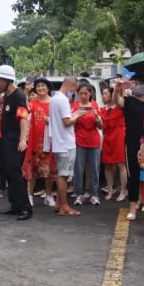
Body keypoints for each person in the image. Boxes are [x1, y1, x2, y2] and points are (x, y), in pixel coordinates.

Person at [113, 74, 144, 220]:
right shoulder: (128, 100)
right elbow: (116, 101)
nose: (138, 85)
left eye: (140, 83)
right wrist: (117, 89)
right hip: (132, 142)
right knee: (133, 174)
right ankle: (133, 206)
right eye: (134, 83)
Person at [0, 65, 32, 221]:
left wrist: (23, 139)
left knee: (16, 173)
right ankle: (15, 205)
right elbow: (1, 100)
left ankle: (25, 208)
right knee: (7, 171)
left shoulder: (19, 95)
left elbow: (23, 118)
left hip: (15, 140)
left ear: (6, 80)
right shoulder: (8, 94)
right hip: (5, 138)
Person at [45, 76, 85, 217]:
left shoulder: (55, 98)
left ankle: (58, 203)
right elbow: (67, 122)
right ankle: (64, 207)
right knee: (63, 175)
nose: (74, 93)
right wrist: (78, 115)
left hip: (59, 141)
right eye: (75, 89)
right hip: (65, 143)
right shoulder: (62, 100)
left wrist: (74, 114)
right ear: (72, 86)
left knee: (62, 173)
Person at [23, 78, 57, 207]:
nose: (40, 88)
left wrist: (51, 121)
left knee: (48, 171)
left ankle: (48, 196)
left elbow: (60, 120)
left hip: (49, 142)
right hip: (34, 141)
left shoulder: (53, 103)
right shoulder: (33, 102)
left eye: (43, 86)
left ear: (48, 88)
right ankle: (29, 195)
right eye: (38, 86)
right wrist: (26, 92)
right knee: (33, 171)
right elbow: (25, 111)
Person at [72, 82, 103, 206]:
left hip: (93, 141)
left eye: (86, 93)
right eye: (81, 94)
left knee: (95, 169)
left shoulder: (95, 105)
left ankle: (94, 194)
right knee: (78, 169)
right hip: (79, 140)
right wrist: (77, 115)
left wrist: (96, 116)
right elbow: (71, 124)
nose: (83, 96)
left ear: (90, 93)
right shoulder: (75, 106)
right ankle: (79, 194)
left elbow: (100, 126)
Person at [100, 85, 127, 201]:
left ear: (112, 94)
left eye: (105, 93)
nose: (103, 96)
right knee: (107, 164)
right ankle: (110, 189)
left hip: (119, 136)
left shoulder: (120, 107)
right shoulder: (103, 109)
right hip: (107, 137)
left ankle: (123, 190)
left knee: (121, 164)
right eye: (102, 94)